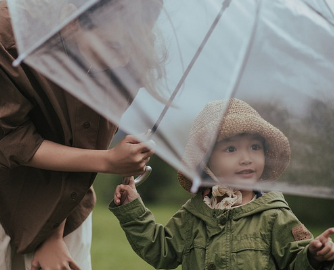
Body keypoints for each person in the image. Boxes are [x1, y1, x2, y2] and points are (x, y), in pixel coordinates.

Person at [0, 0, 163, 269]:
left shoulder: (132, 55)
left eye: (134, 45)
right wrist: (110, 161)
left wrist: (54, 233)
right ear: (72, 21)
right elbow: (11, 140)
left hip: (70, 181)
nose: (124, 58)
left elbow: (87, 141)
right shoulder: (7, 29)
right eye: (114, 45)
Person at [109, 98, 334, 270]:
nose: (246, 158)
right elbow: (161, 250)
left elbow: (295, 260)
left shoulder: (274, 214)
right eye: (231, 149)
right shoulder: (194, 214)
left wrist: (313, 256)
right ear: (206, 162)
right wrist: (133, 209)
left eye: (255, 147)